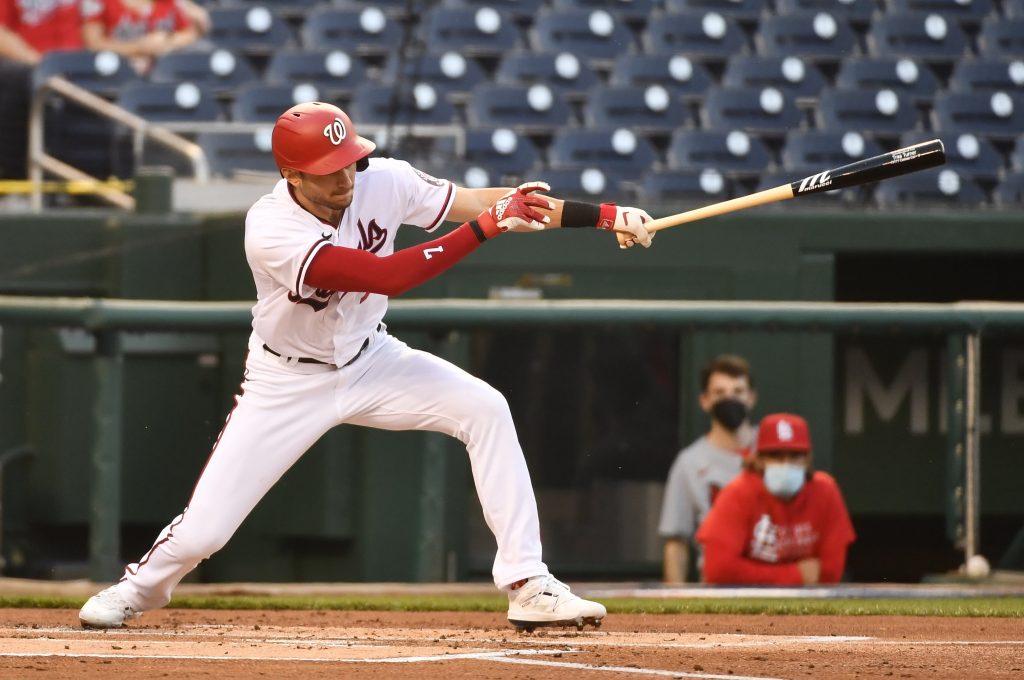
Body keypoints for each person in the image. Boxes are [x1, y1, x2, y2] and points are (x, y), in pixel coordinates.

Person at [78, 101, 654, 631]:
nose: (346, 177)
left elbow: (488, 203)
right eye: (328, 169)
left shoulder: (385, 179)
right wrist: (485, 228)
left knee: (486, 408)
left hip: (369, 356)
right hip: (286, 380)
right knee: (206, 530)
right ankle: (140, 589)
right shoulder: (270, 228)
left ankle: (528, 584)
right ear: (292, 176)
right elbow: (389, 277)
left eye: (350, 160)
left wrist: (608, 216)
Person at [696, 412, 856, 585]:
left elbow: (830, 572)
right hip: (745, 604)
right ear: (759, 459)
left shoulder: (825, 491)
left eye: (795, 455)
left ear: (807, 459)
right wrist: (794, 574)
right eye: (775, 455)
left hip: (808, 605)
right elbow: (717, 569)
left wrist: (750, 571)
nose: (785, 463)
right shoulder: (737, 493)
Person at [658, 354, 757, 583]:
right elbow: (676, 541)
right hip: (718, 581)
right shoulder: (689, 462)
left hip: (775, 577)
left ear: (751, 398)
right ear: (704, 400)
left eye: (738, 391)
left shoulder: (774, 450)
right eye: (720, 393)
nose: (730, 399)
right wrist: (676, 598)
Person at [0, 0, 84, 178]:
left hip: (81, 67)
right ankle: (19, 180)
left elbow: (97, 31)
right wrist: (42, 65)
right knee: (17, 77)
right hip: (26, 67)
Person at [80, 0, 200, 74]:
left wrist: (167, 40)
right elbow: (93, 43)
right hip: (115, 72)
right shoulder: (99, 2)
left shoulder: (169, 2)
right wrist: (139, 47)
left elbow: (190, 34)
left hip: (162, 71)